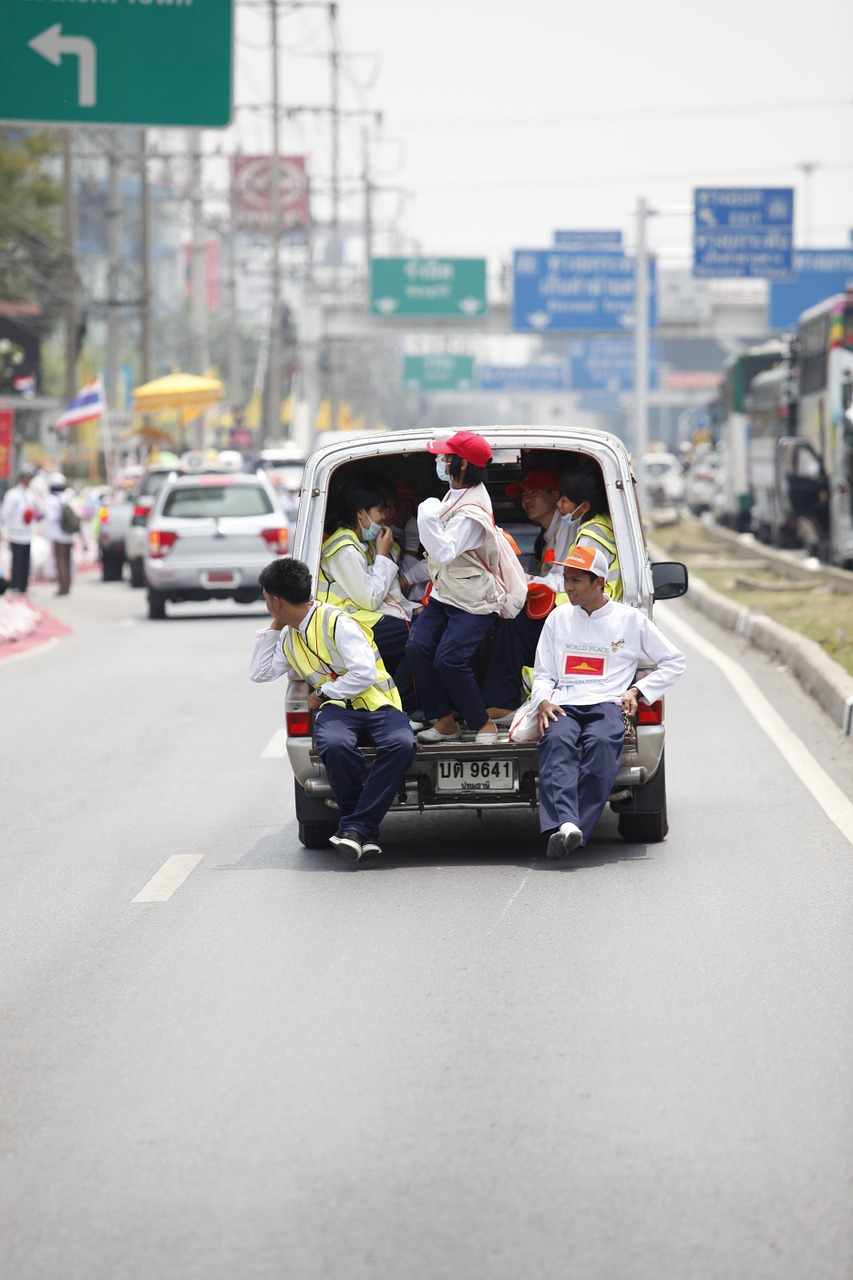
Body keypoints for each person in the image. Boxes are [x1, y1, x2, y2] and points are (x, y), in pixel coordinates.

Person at [250, 557, 416, 863]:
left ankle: (354, 827)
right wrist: (277, 623)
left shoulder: (337, 621)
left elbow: (364, 673)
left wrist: (323, 692)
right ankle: (360, 830)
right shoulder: (289, 636)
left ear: (275, 600)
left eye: (266, 600)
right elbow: (260, 672)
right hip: (338, 712)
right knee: (336, 747)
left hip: (378, 704)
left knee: (402, 745)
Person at [531, 544, 685, 858]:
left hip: (607, 705)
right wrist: (543, 701)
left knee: (602, 746)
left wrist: (637, 692)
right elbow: (544, 672)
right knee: (556, 743)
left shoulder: (630, 620)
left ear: (599, 582)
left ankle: (570, 827)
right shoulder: (558, 618)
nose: (568, 587)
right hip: (565, 702)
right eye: (566, 579)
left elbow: (674, 661)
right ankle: (569, 824)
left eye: (576, 581)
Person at [406, 430, 521, 745]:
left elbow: (443, 550)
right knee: (418, 646)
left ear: (463, 465)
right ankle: (443, 721)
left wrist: (426, 515)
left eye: (447, 457)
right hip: (447, 593)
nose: (442, 461)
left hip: (474, 600)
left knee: (449, 659)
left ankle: (482, 724)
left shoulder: (473, 512)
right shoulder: (456, 490)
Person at [481, 468, 573, 720]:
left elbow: (565, 580)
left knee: (513, 628)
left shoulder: (567, 528)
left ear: (555, 496)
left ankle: (502, 702)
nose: (526, 500)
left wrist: (522, 581)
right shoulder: (546, 536)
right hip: (553, 609)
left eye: (534, 493)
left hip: (568, 614)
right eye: (523, 494)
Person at [318, 478, 417, 710]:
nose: (384, 516)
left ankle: (405, 705)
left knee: (423, 633)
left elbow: (388, 593)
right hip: (345, 626)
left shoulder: (363, 543)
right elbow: (370, 598)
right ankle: (399, 707)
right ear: (361, 514)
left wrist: (414, 608)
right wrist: (382, 556)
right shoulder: (344, 550)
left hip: (363, 620)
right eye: (380, 510)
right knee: (416, 639)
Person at [557, 459, 622, 601]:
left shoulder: (590, 538)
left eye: (564, 500)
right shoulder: (603, 523)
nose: (558, 504)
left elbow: (580, 586)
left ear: (585, 507)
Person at [0, 463, 42, 595]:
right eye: (27, 478)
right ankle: (16, 585)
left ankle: (23, 585)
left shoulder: (30, 494)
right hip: (15, 533)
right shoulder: (13, 494)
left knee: (26, 559)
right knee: (17, 560)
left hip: (27, 533)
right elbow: (5, 513)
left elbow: (37, 509)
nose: (28, 481)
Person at [44, 472, 78, 596]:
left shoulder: (51, 499)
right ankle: (67, 585)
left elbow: (51, 517)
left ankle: (63, 587)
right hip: (69, 534)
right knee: (67, 560)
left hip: (58, 534)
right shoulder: (69, 496)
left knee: (60, 561)